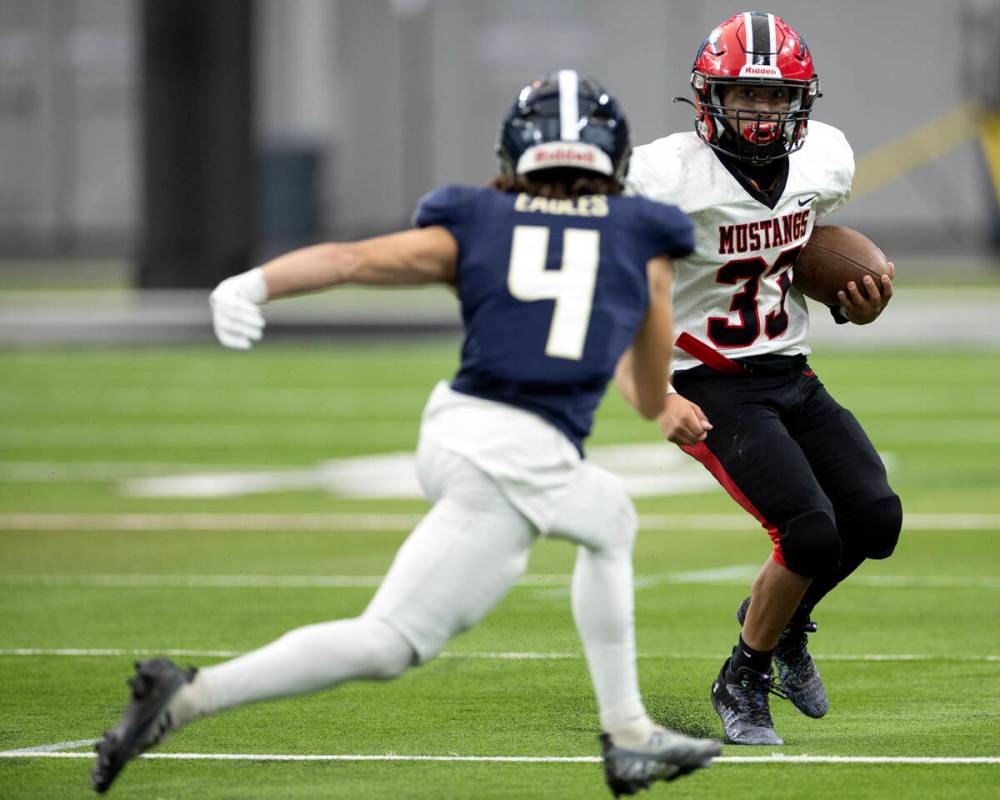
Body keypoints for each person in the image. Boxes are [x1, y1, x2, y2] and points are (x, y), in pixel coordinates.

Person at [91, 70, 721, 796]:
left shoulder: (477, 217)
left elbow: (349, 260)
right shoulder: (646, 233)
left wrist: (249, 284)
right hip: (515, 451)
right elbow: (647, 395)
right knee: (415, 627)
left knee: (588, 526)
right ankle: (629, 734)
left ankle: (629, 734)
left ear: (515, 153)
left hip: (459, 423)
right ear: (615, 155)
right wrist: (653, 385)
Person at [621, 12, 903, 746]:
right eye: (746, 95)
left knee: (875, 520)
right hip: (709, 379)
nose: (762, 112)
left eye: (778, 98)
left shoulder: (823, 162)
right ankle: (743, 672)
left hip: (789, 366)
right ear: (707, 97)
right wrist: (658, 398)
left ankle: (784, 629)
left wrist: (856, 305)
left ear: (801, 102)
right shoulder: (663, 177)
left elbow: (800, 264)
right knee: (808, 532)